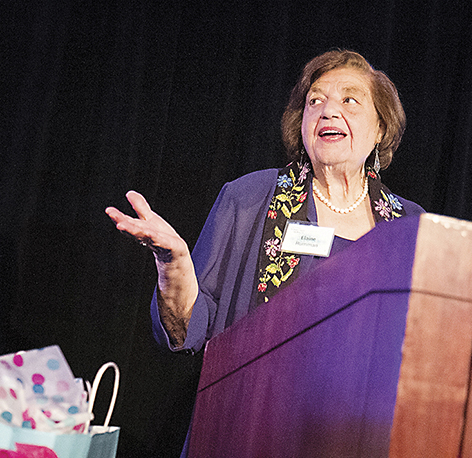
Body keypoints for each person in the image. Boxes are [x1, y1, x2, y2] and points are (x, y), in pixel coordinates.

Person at [105, 49, 425, 355]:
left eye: (349, 100)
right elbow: (190, 328)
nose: (328, 111)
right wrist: (172, 264)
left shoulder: (413, 226)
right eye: (315, 100)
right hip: (260, 402)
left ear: (380, 128)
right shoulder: (249, 199)